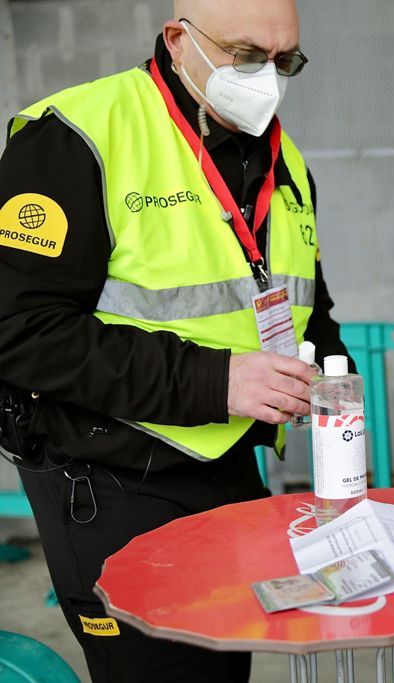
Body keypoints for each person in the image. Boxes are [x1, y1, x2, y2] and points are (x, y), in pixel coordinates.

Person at [0, 1, 351, 680]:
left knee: (225, 664)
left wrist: (335, 380)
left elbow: (308, 304)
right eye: (248, 56)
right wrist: (216, 380)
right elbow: (19, 331)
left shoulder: (286, 165)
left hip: (229, 465)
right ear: (178, 40)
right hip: (109, 477)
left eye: (286, 62)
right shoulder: (76, 136)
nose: (268, 79)